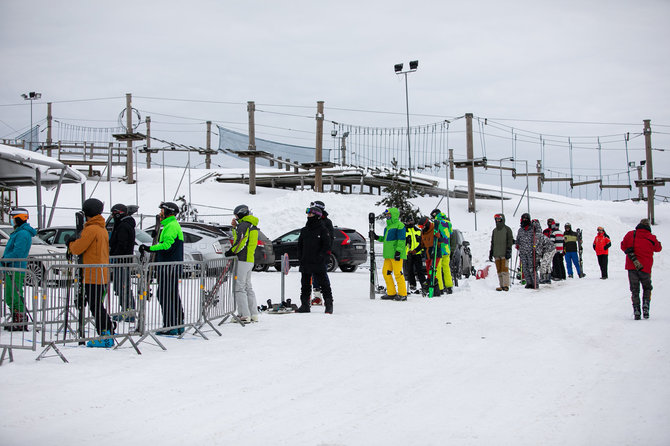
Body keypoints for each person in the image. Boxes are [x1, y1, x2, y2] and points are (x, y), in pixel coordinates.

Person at [66, 198, 115, 347]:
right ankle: (108, 331)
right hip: (101, 273)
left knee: (95, 306)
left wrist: (70, 243)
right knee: (97, 305)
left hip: (92, 274)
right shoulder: (101, 228)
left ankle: (105, 334)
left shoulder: (91, 229)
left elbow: (77, 248)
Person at [139, 202, 185, 335]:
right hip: (170, 266)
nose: (160, 213)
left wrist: (149, 248)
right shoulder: (170, 225)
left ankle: (170, 325)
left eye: (162, 211)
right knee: (171, 294)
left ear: (168, 212)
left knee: (164, 295)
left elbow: (167, 246)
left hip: (168, 267)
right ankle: (178, 323)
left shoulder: (171, 226)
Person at [1, 208, 35, 331]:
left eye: (13, 218)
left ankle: (20, 320)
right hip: (11, 268)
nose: (12, 221)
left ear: (19, 218)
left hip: (16, 268)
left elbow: (18, 253)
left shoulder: (23, 234)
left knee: (15, 294)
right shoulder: (19, 232)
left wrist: (4, 259)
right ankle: (16, 317)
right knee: (10, 295)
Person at [620, 218, 662, 320]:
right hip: (645, 268)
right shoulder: (651, 237)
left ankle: (636, 310)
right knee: (647, 288)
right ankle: (646, 306)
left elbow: (623, 245)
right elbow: (658, 248)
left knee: (634, 290)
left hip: (632, 266)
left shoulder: (630, 234)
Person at [226, 204, 260, 323]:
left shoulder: (244, 225)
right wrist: (235, 228)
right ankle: (253, 313)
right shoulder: (251, 225)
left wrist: (231, 251)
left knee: (239, 287)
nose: (235, 217)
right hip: (250, 259)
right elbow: (243, 239)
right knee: (247, 287)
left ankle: (244, 314)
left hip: (242, 259)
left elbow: (241, 242)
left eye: (236, 215)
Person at [296, 206, 334, 313]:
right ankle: (305, 305)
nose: (308, 216)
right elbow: (300, 245)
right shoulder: (304, 230)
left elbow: (326, 246)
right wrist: (301, 257)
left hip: (318, 262)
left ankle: (329, 305)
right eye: (308, 214)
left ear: (317, 216)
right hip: (306, 262)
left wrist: (321, 257)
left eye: (310, 214)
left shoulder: (323, 230)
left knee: (324, 284)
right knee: (305, 285)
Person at [370, 208, 407, 301]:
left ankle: (403, 294)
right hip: (388, 255)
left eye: (389, 214)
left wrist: (398, 251)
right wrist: (377, 237)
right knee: (386, 273)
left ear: (394, 215)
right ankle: (391, 293)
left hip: (396, 255)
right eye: (387, 215)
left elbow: (402, 240)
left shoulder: (400, 225)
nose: (387, 216)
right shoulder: (387, 227)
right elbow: (385, 240)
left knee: (398, 274)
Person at [109, 203, 136, 321]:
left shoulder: (124, 226)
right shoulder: (122, 225)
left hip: (122, 260)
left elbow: (122, 243)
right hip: (120, 259)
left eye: (114, 214)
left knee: (123, 285)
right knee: (120, 286)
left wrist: (114, 254)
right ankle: (126, 309)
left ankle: (129, 311)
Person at [309, 200, 333, 305]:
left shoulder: (326, 222)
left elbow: (329, 239)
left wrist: (324, 252)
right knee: (313, 275)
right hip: (312, 254)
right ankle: (317, 296)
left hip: (322, 254)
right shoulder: (311, 221)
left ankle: (327, 296)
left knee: (322, 274)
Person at [418, 216, 444, 296]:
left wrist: (439, 237)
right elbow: (421, 244)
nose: (421, 228)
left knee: (432, 270)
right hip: (427, 254)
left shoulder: (434, 229)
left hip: (435, 253)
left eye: (422, 226)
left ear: (426, 224)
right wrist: (414, 251)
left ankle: (434, 289)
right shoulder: (423, 232)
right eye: (420, 227)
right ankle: (430, 286)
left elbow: (442, 240)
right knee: (429, 271)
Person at [488, 213, 514, 291]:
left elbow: (510, 240)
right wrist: (491, 252)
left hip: (504, 253)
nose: (498, 221)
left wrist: (509, 250)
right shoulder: (494, 231)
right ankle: (501, 285)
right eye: (496, 219)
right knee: (499, 270)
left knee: (504, 269)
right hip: (496, 253)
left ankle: (506, 285)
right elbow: (492, 242)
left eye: (499, 219)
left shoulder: (507, 229)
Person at [431, 209, 454, 294]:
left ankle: (440, 287)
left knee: (438, 269)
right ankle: (449, 286)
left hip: (439, 248)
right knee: (446, 268)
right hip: (447, 248)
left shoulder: (436, 223)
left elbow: (434, 234)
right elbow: (450, 234)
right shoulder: (449, 223)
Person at [403, 215, 426, 293]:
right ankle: (412, 284)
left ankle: (423, 283)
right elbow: (403, 243)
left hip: (417, 252)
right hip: (408, 253)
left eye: (411, 221)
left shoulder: (418, 230)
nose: (410, 223)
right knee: (410, 270)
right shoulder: (404, 231)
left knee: (419, 269)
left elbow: (421, 242)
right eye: (409, 221)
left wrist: (420, 250)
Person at [515, 213, 538, 289]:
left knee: (532, 268)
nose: (525, 220)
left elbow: (539, 234)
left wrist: (537, 225)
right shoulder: (520, 230)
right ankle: (529, 282)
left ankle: (535, 282)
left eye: (526, 219)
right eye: (523, 219)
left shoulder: (533, 229)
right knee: (525, 268)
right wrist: (517, 244)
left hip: (531, 252)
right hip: (523, 252)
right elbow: (518, 239)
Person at [533, 219, 556, 285]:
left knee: (543, 263)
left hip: (548, 249)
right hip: (552, 248)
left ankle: (543, 278)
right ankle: (547, 277)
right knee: (547, 263)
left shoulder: (537, 236)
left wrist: (538, 257)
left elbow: (539, 248)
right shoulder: (540, 234)